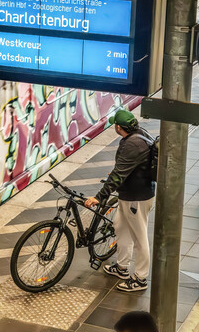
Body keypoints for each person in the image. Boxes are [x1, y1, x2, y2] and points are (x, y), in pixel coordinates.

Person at [85, 109, 155, 292]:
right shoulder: (139, 134)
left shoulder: (132, 145)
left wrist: (99, 197)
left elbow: (118, 174)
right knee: (120, 227)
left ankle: (140, 278)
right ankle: (122, 267)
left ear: (118, 127)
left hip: (136, 198)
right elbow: (126, 169)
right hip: (130, 194)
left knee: (139, 238)